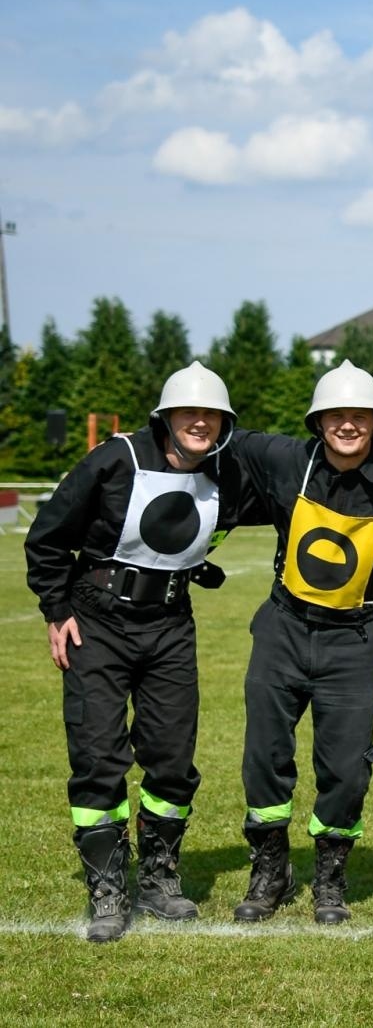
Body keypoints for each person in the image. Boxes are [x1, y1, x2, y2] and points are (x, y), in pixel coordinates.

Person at [25, 362, 253, 942]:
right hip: (96, 622)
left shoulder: (228, 471)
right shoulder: (114, 459)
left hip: (172, 623)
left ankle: (158, 877)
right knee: (99, 756)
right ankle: (108, 888)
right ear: (167, 418)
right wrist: (57, 610)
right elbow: (47, 537)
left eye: (212, 416)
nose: (200, 423)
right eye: (189, 413)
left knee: (172, 757)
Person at [226, 360, 373, 926]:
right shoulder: (285, 459)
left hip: (355, 641)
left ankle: (330, 877)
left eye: (359, 415)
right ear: (318, 421)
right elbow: (214, 433)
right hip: (282, 630)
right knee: (264, 755)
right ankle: (270, 869)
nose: (348, 424)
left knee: (346, 765)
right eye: (336, 414)